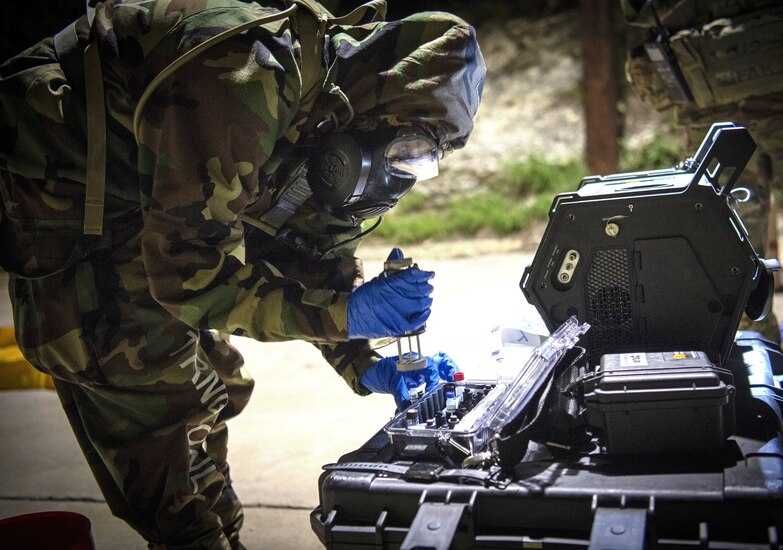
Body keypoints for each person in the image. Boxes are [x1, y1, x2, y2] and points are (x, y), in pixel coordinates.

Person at [0, 0, 485, 548]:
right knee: (157, 395)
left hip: (157, 201)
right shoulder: (246, 79)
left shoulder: (331, 114)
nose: (399, 174)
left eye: (422, 159)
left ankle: (216, 530)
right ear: (378, 106)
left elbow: (304, 246)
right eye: (405, 150)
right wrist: (342, 314)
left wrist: (364, 356)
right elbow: (189, 275)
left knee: (218, 383)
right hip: (75, 208)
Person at [622, 0, 783, 344]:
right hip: (732, 102)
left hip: (777, 103)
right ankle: (754, 375)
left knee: (725, 255)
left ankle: (751, 366)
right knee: (725, 258)